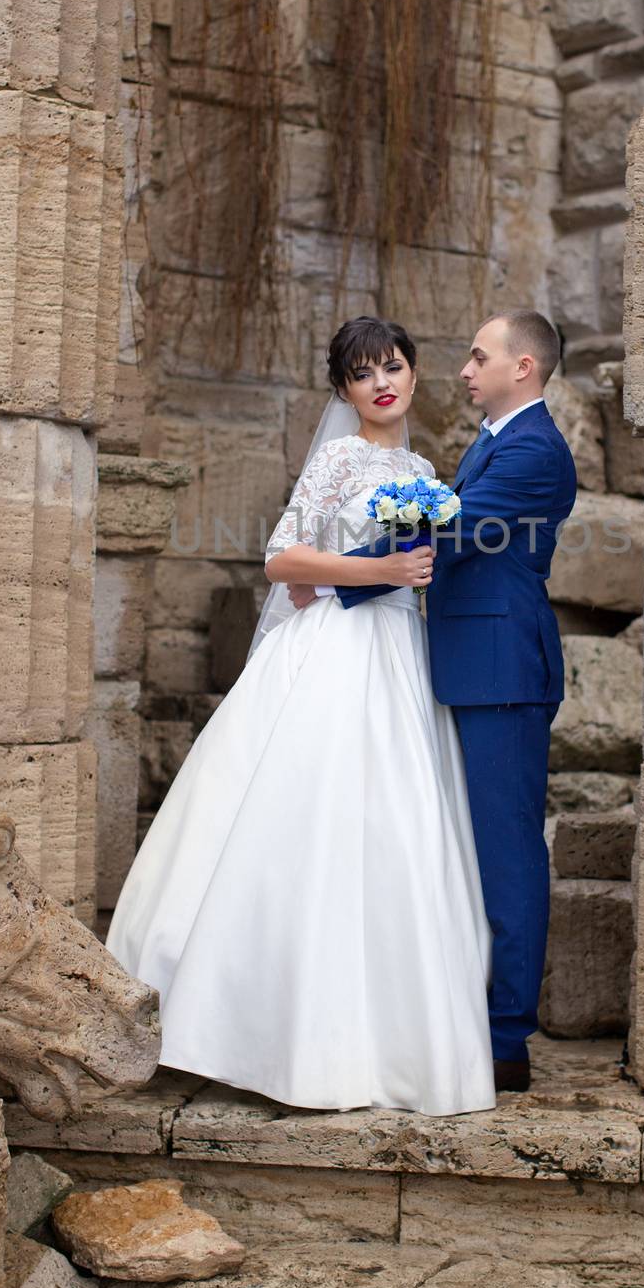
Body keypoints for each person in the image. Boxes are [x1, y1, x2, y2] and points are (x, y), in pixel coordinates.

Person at [105, 316, 497, 1116]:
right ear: (343, 390)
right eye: (362, 374)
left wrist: (410, 573)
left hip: (398, 656)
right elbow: (282, 560)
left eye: (392, 367)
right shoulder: (338, 458)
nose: (381, 382)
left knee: (397, 831)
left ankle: (385, 1044)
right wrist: (380, 565)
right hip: (333, 653)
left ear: (414, 377)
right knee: (304, 820)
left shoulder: (423, 469)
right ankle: (251, 1028)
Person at [305, 311, 577, 1092]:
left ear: (521, 367)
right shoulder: (493, 439)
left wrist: (330, 579)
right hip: (462, 663)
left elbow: (459, 530)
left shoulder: (532, 448)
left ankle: (504, 1039)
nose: (463, 368)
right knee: (467, 847)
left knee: (506, 852)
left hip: (500, 672)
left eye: (477, 355)